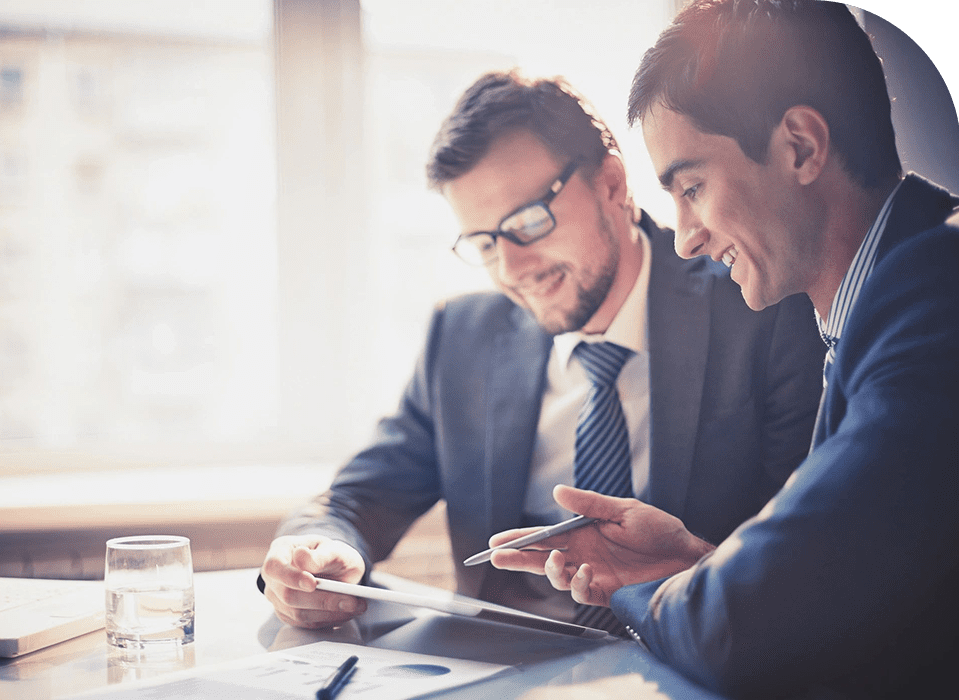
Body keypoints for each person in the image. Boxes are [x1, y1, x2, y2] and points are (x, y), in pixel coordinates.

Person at [490, 2, 958, 698]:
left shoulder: (930, 306)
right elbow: (844, 595)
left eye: (693, 187)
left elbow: (739, 626)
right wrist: (698, 565)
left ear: (800, 146)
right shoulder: (875, 304)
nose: (684, 238)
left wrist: (656, 590)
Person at [257, 69, 824, 634]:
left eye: (528, 222)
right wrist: (313, 550)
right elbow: (357, 499)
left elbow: (803, 557)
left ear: (610, 183)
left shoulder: (758, 306)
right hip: (501, 672)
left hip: (683, 662)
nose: (511, 269)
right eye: (484, 243)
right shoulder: (461, 337)